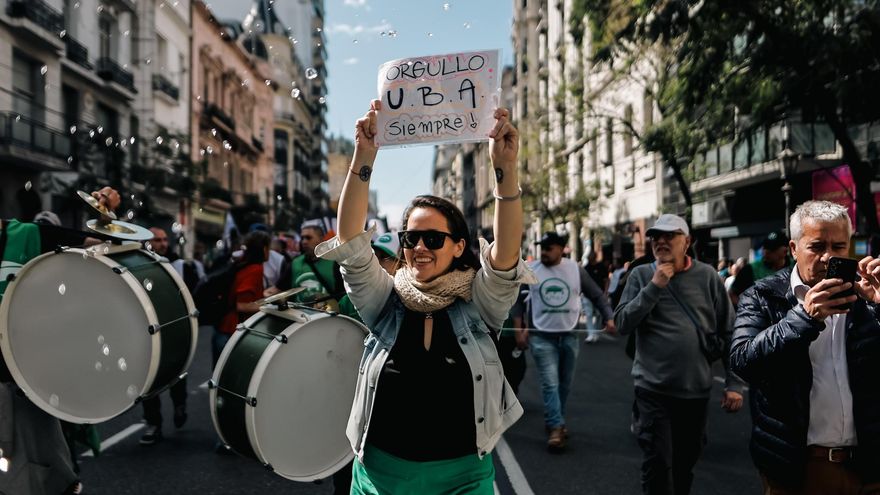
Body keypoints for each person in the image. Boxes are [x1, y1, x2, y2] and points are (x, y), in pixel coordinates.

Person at [315, 101, 533, 494]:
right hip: (381, 477)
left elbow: (504, 258)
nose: (420, 247)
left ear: (458, 246)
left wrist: (505, 171)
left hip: (464, 477)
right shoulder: (386, 300)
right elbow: (350, 241)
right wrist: (364, 156)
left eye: (433, 239)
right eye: (411, 238)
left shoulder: (479, 303)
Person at [731, 201, 880, 494]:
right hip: (798, 468)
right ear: (793, 248)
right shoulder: (762, 296)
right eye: (817, 246)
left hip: (869, 465)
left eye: (838, 247)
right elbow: (744, 362)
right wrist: (803, 318)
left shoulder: (866, 296)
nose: (828, 257)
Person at [1, 187, 120, 495]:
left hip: (25, 386)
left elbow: (110, 249)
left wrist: (105, 217)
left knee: (40, 479)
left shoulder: (30, 235)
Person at [614, 213, 745, 495]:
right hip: (652, 388)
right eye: (655, 236)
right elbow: (623, 323)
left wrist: (734, 384)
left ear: (687, 242)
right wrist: (654, 286)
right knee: (658, 463)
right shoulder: (640, 275)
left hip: (695, 391)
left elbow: (729, 331)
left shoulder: (707, 276)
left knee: (685, 464)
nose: (660, 241)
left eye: (669, 236)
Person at [524, 231, 615, 451]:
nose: (544, 252)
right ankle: (556, 427)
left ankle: (555, 418)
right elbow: (517, 298)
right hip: (541, 336)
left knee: (564, 384)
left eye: (549, 247)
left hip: (569, 335)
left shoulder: (575, 270)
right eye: (542, 248)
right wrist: (520, 329)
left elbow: (596, 295)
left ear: (562, 249)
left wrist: (609, 317)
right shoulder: (531, 270)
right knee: (550, 383)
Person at [139, 226, 188, 446]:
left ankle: (180, 405)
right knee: (149, 378)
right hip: (148, 331)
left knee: (177, 371)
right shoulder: (139, 265)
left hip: (175, 328)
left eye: (165, 240)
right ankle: (153, 423)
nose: (163, 244)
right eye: (157, 240)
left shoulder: (178, 265)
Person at [275, 223, 344, 309]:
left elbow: (343, 297)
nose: (304, 242)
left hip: (328, 319)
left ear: (321, 239)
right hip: (301, 318)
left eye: (308, 238)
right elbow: (281, 290)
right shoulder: (294, 263)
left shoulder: (335, 263)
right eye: (302, 238)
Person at [729, 230, 791, 301]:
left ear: (785, 251)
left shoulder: (796, 267)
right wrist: (748, 309)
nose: (766, 252)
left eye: (772, 249)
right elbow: (733, 294)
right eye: (765, 247)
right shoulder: (750, 269)